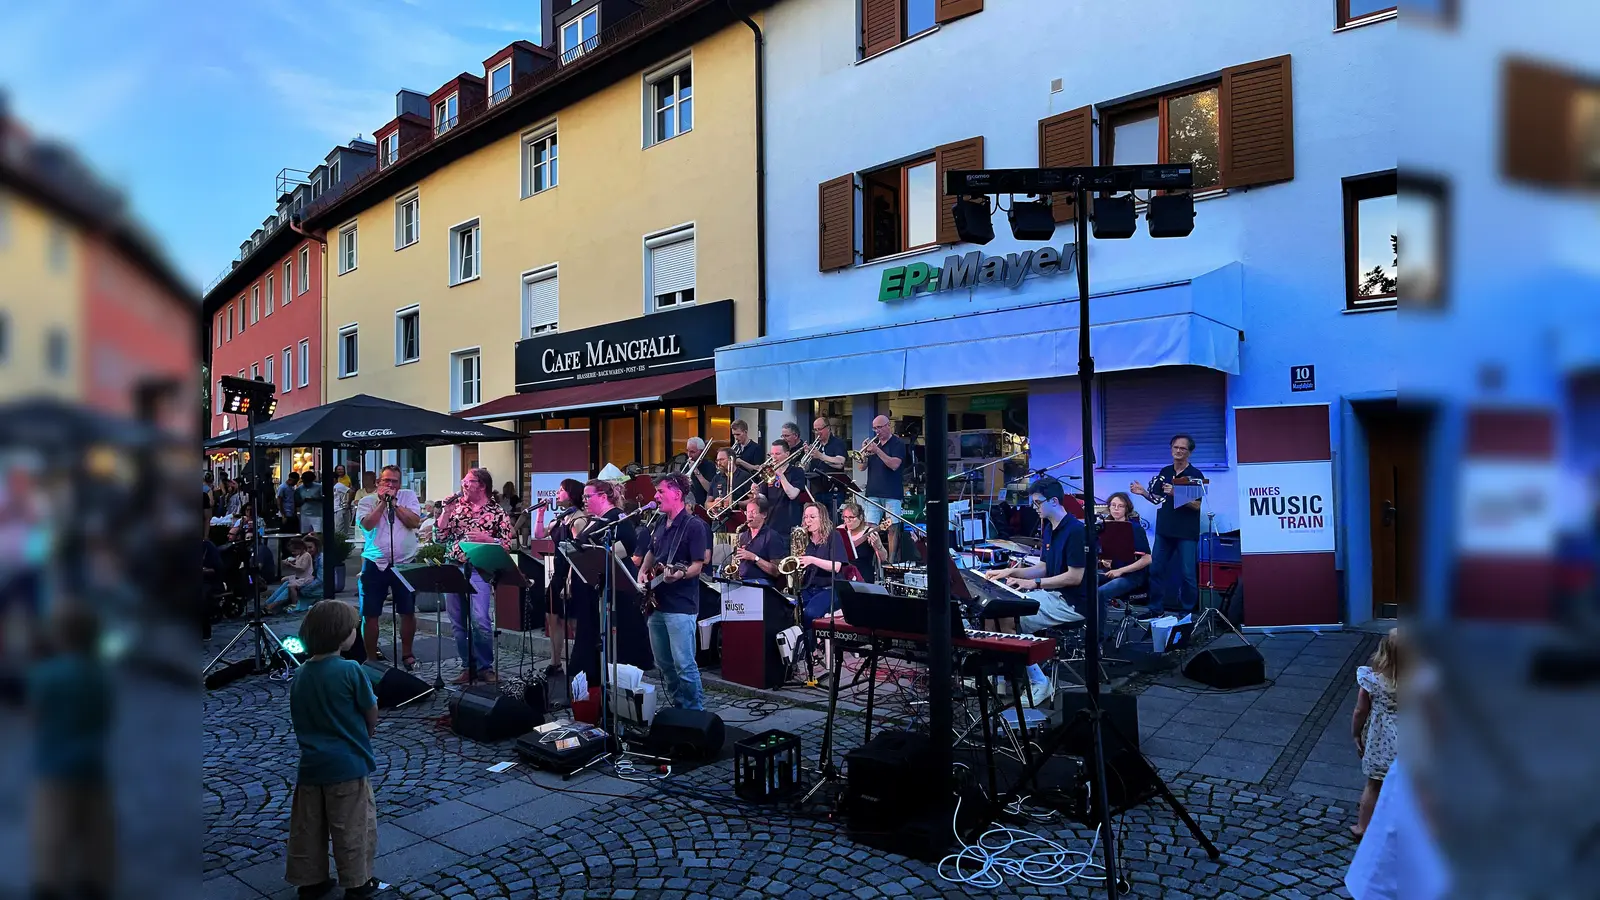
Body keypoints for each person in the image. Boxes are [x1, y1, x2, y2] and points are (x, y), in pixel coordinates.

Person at [285, 600, 383, 900]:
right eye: (353, 629)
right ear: (342, 635)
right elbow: (370, 709)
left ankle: (310, 880)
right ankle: (357, 882)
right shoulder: (350, 669)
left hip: (311, 766)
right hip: (348, 765)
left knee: (308, 828)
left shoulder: (301, 673)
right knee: (353, 826)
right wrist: (368, 732)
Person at [28, 604, 114, 900]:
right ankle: (93, 879)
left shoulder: (46, 674)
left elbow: (36, 715)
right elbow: (105, 716)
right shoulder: (97, 674)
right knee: (94, 827)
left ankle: (49, 881)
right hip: (91, 763)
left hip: (54, 764)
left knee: (51, 828)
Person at [983, 476, 1086, 708]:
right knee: (992, 611)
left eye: (1038, 503)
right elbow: (1044, 567)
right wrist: (1009, 572)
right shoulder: (1050, 528)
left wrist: (1035, 584)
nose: (1034, 507)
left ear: (1054, 501)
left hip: (1071, 601)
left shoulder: (1076, 531)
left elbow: (1074, 577)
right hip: (1053, 593)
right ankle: (1002, 676)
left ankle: (1040, 681)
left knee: (1008, 616)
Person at [634, 473, 710, 711]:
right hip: (656, 603)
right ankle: (679, 707)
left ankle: (695, 712)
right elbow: (652, 551)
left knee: (684, 664)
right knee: (664, 664)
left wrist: (680, 574)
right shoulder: (660, 522)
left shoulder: (694, 526)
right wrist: (643, 571)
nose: (656, 496)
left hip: (680, 605)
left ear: (677, 494)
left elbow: (697, 565)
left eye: (661, 492)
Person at [435, 467, 515, 683]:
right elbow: (439, 537)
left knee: (480, 619)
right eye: (464, 480)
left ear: (481, 486)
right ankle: (467, 666)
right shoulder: (456, 507)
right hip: (454, 566)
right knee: (457, 621)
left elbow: (507, 544)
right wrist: (445, 512)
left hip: (480, 568)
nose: (463, 484)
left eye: (468, 481)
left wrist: (488, 539)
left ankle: (485, 667)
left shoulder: (497, 512)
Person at [574, 478, 650, 679]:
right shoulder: (596, 519)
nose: (584, 500)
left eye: (588, 496)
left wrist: (594, 557)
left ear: (602, 496)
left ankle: (617, 680)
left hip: (615, 588)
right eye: (583, 497)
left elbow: (627, 545)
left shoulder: (617, 518)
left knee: (620, 641)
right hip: (594, 586)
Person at [356, 465, 423, 668]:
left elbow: (414, 522)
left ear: (400, 484)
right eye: (386, 481)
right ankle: (371, 659)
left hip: (405, 562)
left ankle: (407, 654)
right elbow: (367, 524)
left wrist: (395, 504)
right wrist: (382, 504)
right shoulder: (366, 501)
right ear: (379, 482)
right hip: (375, 562)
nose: (391, 485)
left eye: (394, 481)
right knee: (370, 613)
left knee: (407, 610)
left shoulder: (408, 496)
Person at [1130, 434, 1202, 615]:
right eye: (1175, 447)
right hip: (1164, 529)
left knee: (1188, 574)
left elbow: (1197, 505)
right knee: (1156, 569)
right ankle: (1155, 608)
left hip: (1186, 532)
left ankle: (1186, 613)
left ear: (1189, 452)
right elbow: (1157, 499)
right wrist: (1143, 492)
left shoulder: (1195, 475)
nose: (1178, 451)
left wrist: (1176, 493)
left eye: (1183, 448)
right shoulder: (1165, 471)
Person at [533, 478, 589, 679]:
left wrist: (570, 580)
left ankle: (579, 663)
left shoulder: (579, 519)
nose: (557, 493)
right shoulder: (560, 518)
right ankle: (555, 662)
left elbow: (579, 552)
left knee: (573, 621)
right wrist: (540, 513)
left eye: (561, 490)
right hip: (557, 574)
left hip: (572, 574)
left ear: (571, 494)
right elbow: (539, 534)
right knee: (552, 617)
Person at [1352, 628, 1402, 838]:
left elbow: (1360, 711)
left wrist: (1356, 734)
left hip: (1380, 741)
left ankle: (1362, 827)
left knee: (1373, 785)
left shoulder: (1372, 680)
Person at [794, 502, 851, 664]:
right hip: (809, 587)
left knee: (810, 613)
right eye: (806, 517)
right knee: (788, 608)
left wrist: (812, 560)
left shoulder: (834, 536)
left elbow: (837, 566)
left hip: (831, 588)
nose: (808, 521)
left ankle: (810, 650)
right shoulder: (804, 539)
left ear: (823, 518)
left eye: (812, 517)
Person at [856, 415, 909, 562]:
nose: (877, 431)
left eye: (879, 427)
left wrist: (877, 450)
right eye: (874, 428)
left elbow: (894, 465)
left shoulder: (897, 443)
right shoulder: (874, 444)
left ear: (888, 426)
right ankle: (873, 560)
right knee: (870, 528)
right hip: (873, 492)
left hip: (892, 493)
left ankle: (891, 562)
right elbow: (861, 468)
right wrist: (864, 454)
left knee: (892, 528)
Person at [1098, 492, 1152, 607]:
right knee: (1083, 584)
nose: (1116, 508)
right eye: (1113, 505)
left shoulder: (1135, 529)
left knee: (1100, 593)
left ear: (1126, 509)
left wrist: (1120, 571)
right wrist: (1104, 561)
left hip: (1132, 576)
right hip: (1111, 571)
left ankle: (1097, 619)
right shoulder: (1104, 527)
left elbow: (1147, 559)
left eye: (1120, 506)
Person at [731, 495, 784, 582]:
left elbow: (777, 571)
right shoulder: (743, 536)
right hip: (743, 581)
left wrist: (754, 558)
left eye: (753, 512)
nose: (749, 516)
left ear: (764, 515)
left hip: (762, 582)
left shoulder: (772, 536)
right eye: (748, 512)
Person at [763, 439, 807, 536]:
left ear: (787, 454)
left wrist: (780, 474)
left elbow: (792, 494)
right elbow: (763, 498)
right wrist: (756, 494)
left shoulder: (797, 472)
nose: (774, 457)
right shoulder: (768, 472)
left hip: (789, 525)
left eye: (777, 454)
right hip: (770, 524)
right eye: (772, 454)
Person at [807, 417, 849, 517]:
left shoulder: (838, 443)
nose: (817, 432)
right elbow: (807, 468)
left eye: (820, 429)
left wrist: (820, 456)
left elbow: (840, 463)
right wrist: (807, 456)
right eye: (815, 430)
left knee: (834, 520)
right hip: (817, 490)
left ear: (828, 428)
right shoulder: (815, 446)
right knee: (819, 520)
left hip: (834, 491)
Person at [839, 501, 887, 585]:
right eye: (845, 517)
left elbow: (883, 558)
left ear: (860, 517)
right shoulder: (840, 530)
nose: (847, 521)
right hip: (843, 575)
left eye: (851, 517)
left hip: (863, 577)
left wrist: (878, 545)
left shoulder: (870, 532)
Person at [266, 538, 318, 615]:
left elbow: (302, 568)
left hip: (305, 578)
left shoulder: (306, 555)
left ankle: (294, 603)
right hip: (299, 577)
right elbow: (295, 563)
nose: (293, 553)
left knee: (291, 586)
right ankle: (270, 601)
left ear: (300, 548)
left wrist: (291, 566)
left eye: (294, 551)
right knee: (284, 580)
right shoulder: (298, 556)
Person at [728, 419, 765, 496]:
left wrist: (741, 462)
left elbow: (758, 470)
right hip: (735, 484)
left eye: (738, 434)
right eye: (734, 435)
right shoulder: (735, 448)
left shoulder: (756, 448)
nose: (736, 437)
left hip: (749, 485)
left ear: (745, 432)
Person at [705, 448, 738, 525]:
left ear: (731, 460)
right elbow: (706, 504)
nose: (719, 463)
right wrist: (715, 504)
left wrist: (735, 503)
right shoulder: (716, 478)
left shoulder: (744, 476)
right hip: (718, 522)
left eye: (722, 460)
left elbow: (753, 501)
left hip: (736, 522)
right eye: (717, 460)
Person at [684, 437, 716, 508]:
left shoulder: (709, 465)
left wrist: (696, 471)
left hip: (701, 506)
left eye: (692, 452)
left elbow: (710, 489)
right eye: (687, 451)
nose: (689, 455)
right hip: (687, 505)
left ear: (701, 452)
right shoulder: (684, 465)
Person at [298, 471, 323, 535]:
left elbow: (324, 499)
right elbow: (297, 500)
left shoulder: (319, 487)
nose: (305, 483)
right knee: (304, 533)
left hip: (317, 514)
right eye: (304, 481)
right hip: (304, 514)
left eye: (307, 482)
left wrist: (313, 499)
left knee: (318, 533)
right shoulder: (300, 488)